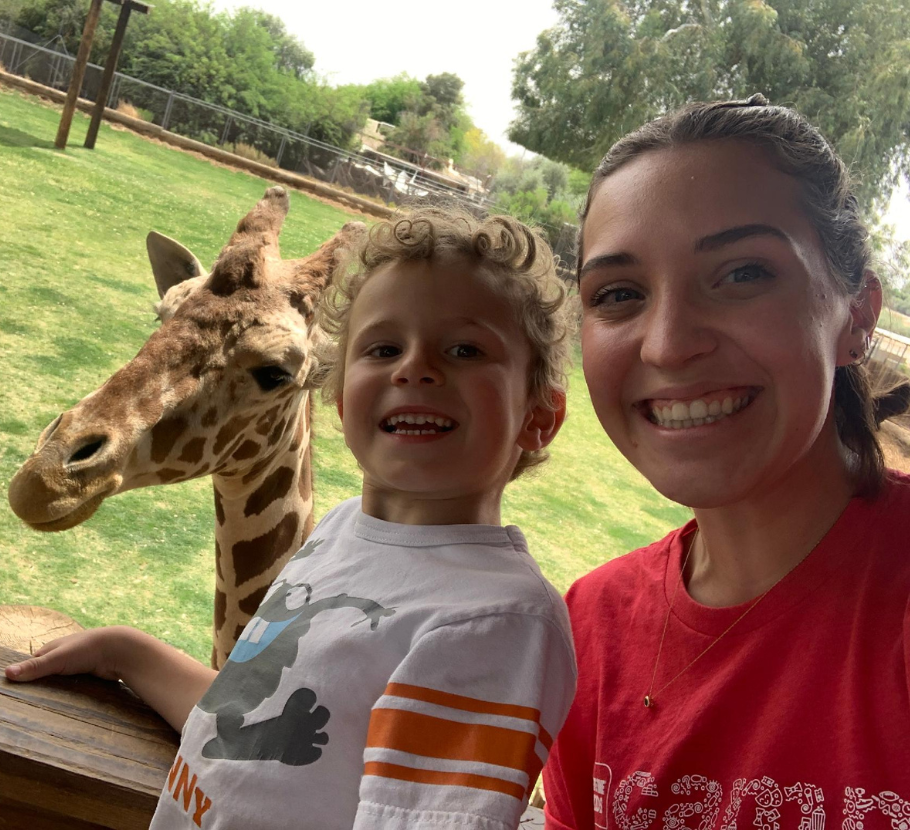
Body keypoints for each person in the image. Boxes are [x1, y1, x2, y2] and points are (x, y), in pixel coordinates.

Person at [6, 208, 577, 830]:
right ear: (333, 393)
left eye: (465, 349)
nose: (415, 368)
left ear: (540, 414)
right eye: (383, 347)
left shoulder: (495, 624)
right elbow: (253, 736)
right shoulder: (338, 532)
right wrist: (128, 653)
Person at [543, 95, 910, 830]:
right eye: (618, 294)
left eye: (742, 274)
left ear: (857, 317)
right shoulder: (588, 625)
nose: (668, 344)